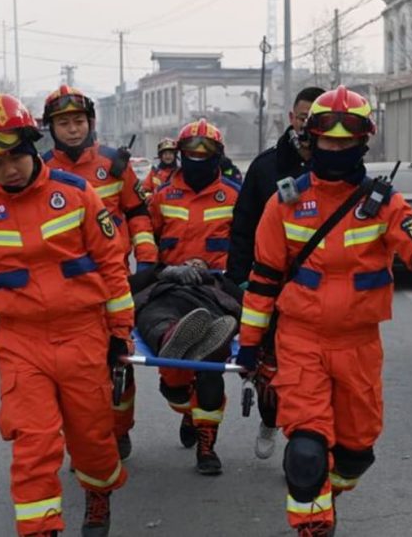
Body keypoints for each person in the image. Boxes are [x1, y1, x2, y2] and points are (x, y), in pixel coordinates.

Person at [236, 86, 412, 536]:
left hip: (358, 347)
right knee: (305, 452)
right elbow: (263, 281)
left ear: (362, 143)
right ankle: (314, 523)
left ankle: (327, 492)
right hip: (300, 342)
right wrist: (249, 345)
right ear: (312, 139)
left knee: (357, 450)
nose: (335, 149)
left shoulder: (384, 205)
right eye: (328, 141)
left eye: (345, 142)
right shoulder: (283, 204)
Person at [0, 92, 133, 537]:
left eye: (15, 156)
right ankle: (40, 530)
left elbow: (112, 266)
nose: (8, 168)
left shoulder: (77, 195)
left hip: (83, 336)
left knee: (93, 441)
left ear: (33, 146)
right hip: (21, 343)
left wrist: (120, 333)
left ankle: (98, 492)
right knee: (32, 443)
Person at [42, 85, 155, 459]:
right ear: (51, 128)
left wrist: (148, 258)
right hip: (63, 291)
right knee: (73, 374)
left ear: (90, 123)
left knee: (117, 361)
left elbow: (139, 212)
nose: (72, 130)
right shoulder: (40, 171)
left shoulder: (114, 165)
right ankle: (87, 444)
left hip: (113, 283)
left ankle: (119, 431)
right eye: (63, 123)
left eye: (78, 121)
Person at [226, 86, 324, 460]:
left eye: (317, 120)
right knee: (269, 371)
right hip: (269, 286)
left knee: (309, 374)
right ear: (292, 119)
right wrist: (238, 279)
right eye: (303, 118)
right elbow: (242, 226)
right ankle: (270, 418)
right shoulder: (266, 168)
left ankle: (304, 449)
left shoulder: (336, 169)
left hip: (318, 296)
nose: (308, 126)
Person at [142, 118, 240, 475]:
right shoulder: (162, 196)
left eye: (206, 153)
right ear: (180, 155)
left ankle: (207, 445)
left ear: (218, 155)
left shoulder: (233, 195)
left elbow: (248, 249)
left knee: (210, 362)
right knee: (155, 325)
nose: (198, 158)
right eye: (191, 153)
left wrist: (222, 271)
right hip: (169, 282)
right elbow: (145, 244)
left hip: (214, 287)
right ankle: (175, 356)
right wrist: (162, 270)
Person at [129, 259, 241, 361]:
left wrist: (208, 278)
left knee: (220, 321)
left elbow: (244, 301)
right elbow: (130, 285)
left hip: (206, 303)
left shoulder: (218, 281)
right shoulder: (159, 277)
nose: (194, 265)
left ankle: (207, 342)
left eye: (199, 264)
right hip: (164, 298)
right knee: (155, 317)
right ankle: (169, 338)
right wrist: (164, 272)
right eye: (189, 262)